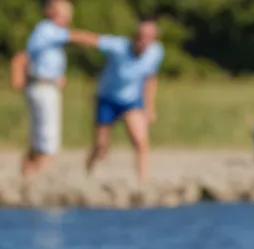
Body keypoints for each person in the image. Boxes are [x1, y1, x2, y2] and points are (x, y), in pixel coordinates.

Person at [9, 0, 98, 178]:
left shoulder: (46, 33)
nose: (67, 19)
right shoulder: (47, 29)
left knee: (37, 140)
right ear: (53, 13)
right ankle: (40, 180)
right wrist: (101, 41)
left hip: (42, 87)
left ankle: (25, 178)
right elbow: (76, 37)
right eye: (65, 14)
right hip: (43, 89)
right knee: (48, 143)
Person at [85, 18, 164, 183]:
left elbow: (150, 79)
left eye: (149, 37)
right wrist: (64, 35)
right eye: (141, 37)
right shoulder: (118, 46)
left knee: (140, 141)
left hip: (131, 100)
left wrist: (150, 107)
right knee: (101, 146)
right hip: (107, 98)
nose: (144, 41)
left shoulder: (156, 52)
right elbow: (93, 40)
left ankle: (142, 181)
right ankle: (88, 170)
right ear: (134, 36)